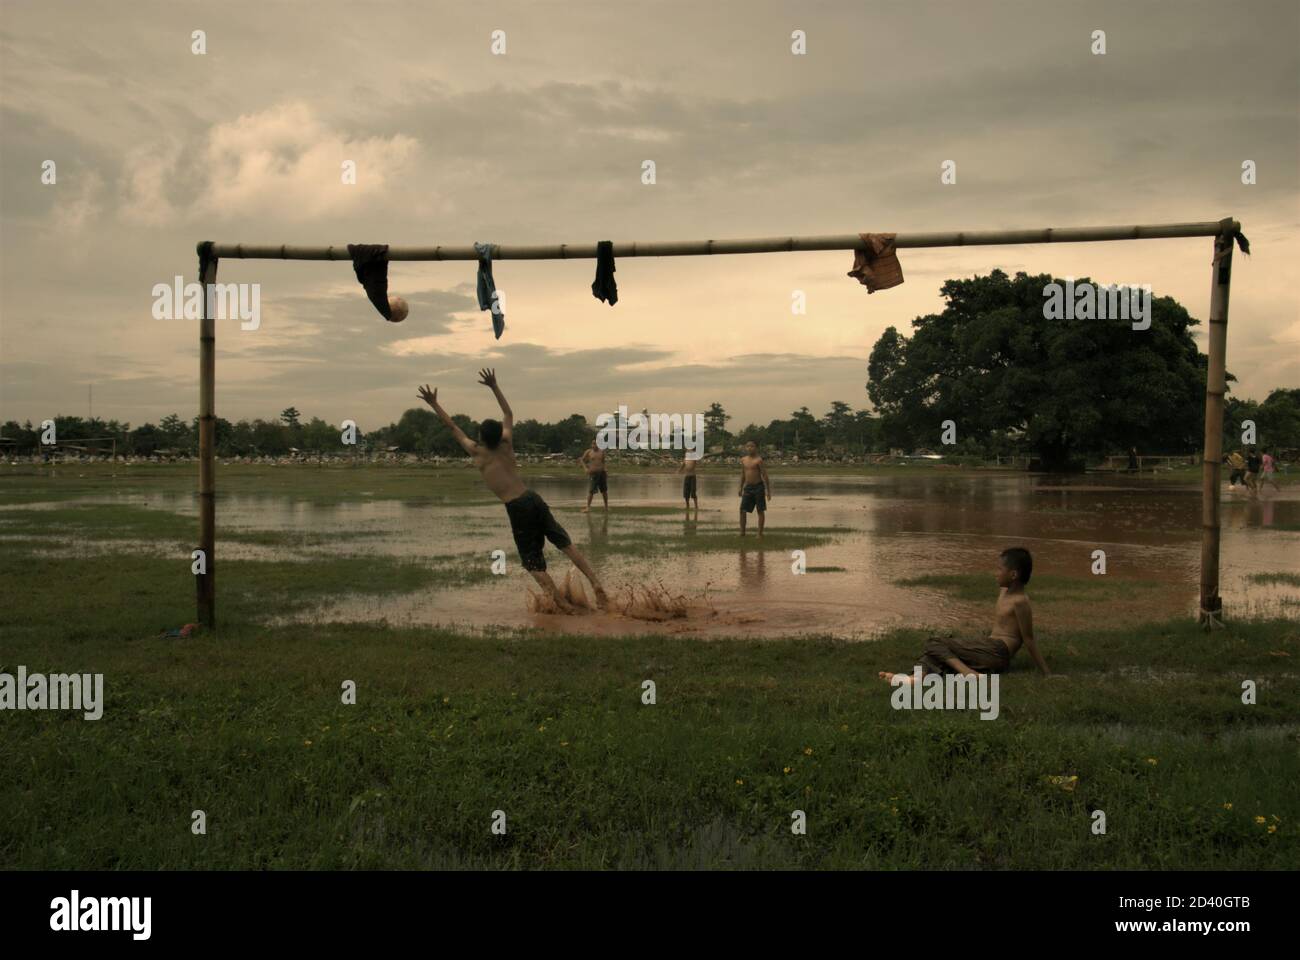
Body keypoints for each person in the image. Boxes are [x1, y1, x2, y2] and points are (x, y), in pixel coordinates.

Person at [418, 369, 607, 611]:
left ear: (481, 438)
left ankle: (563, 607)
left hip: (517, 507)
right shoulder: (506, 443)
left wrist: (434, 403)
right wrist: (494, 386)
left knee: (532, 563)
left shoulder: (478, 452)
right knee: (565, 544)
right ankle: (596, 583)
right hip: (532, 497)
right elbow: (508, 413)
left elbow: (453, 427)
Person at [879, 547, 1054, 682]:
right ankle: (915, 680)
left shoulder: (1020, 601)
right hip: (988, 651)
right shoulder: (1005, 591)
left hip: (998, 651)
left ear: (1013, 574)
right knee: (938, 654)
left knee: (934, 643)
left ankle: (969, 674)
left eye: (1000, 569)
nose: (996, 572)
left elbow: (1029, 639)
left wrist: (1047, 674)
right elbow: (1004, 579)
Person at [738, 441, 771, 536]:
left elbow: (764, 475)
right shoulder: (743, 460)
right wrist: (740, 487)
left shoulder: (759, 460)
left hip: (758, 487)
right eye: (748, 446)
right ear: (745, 448)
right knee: (742, 510)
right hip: (748, 488)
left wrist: (768, 491)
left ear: (755, 448)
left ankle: (759, 533)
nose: (750, 448)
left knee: (760, 510)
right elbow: (743, 474)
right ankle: (742, 532)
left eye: (752, 446)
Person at [580, 439, 609, 513]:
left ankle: (606, 507)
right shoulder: (589, 452)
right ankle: (588, 507)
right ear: (591, 444)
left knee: (604, 491)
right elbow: (582, 460)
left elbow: (603, 462)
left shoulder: (601, 452)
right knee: (591, 491)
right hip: (593, 473)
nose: (594, 445)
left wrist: (605, 469)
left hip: (601, 473)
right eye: (593, 444)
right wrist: (585, 468)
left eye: (596, 444)